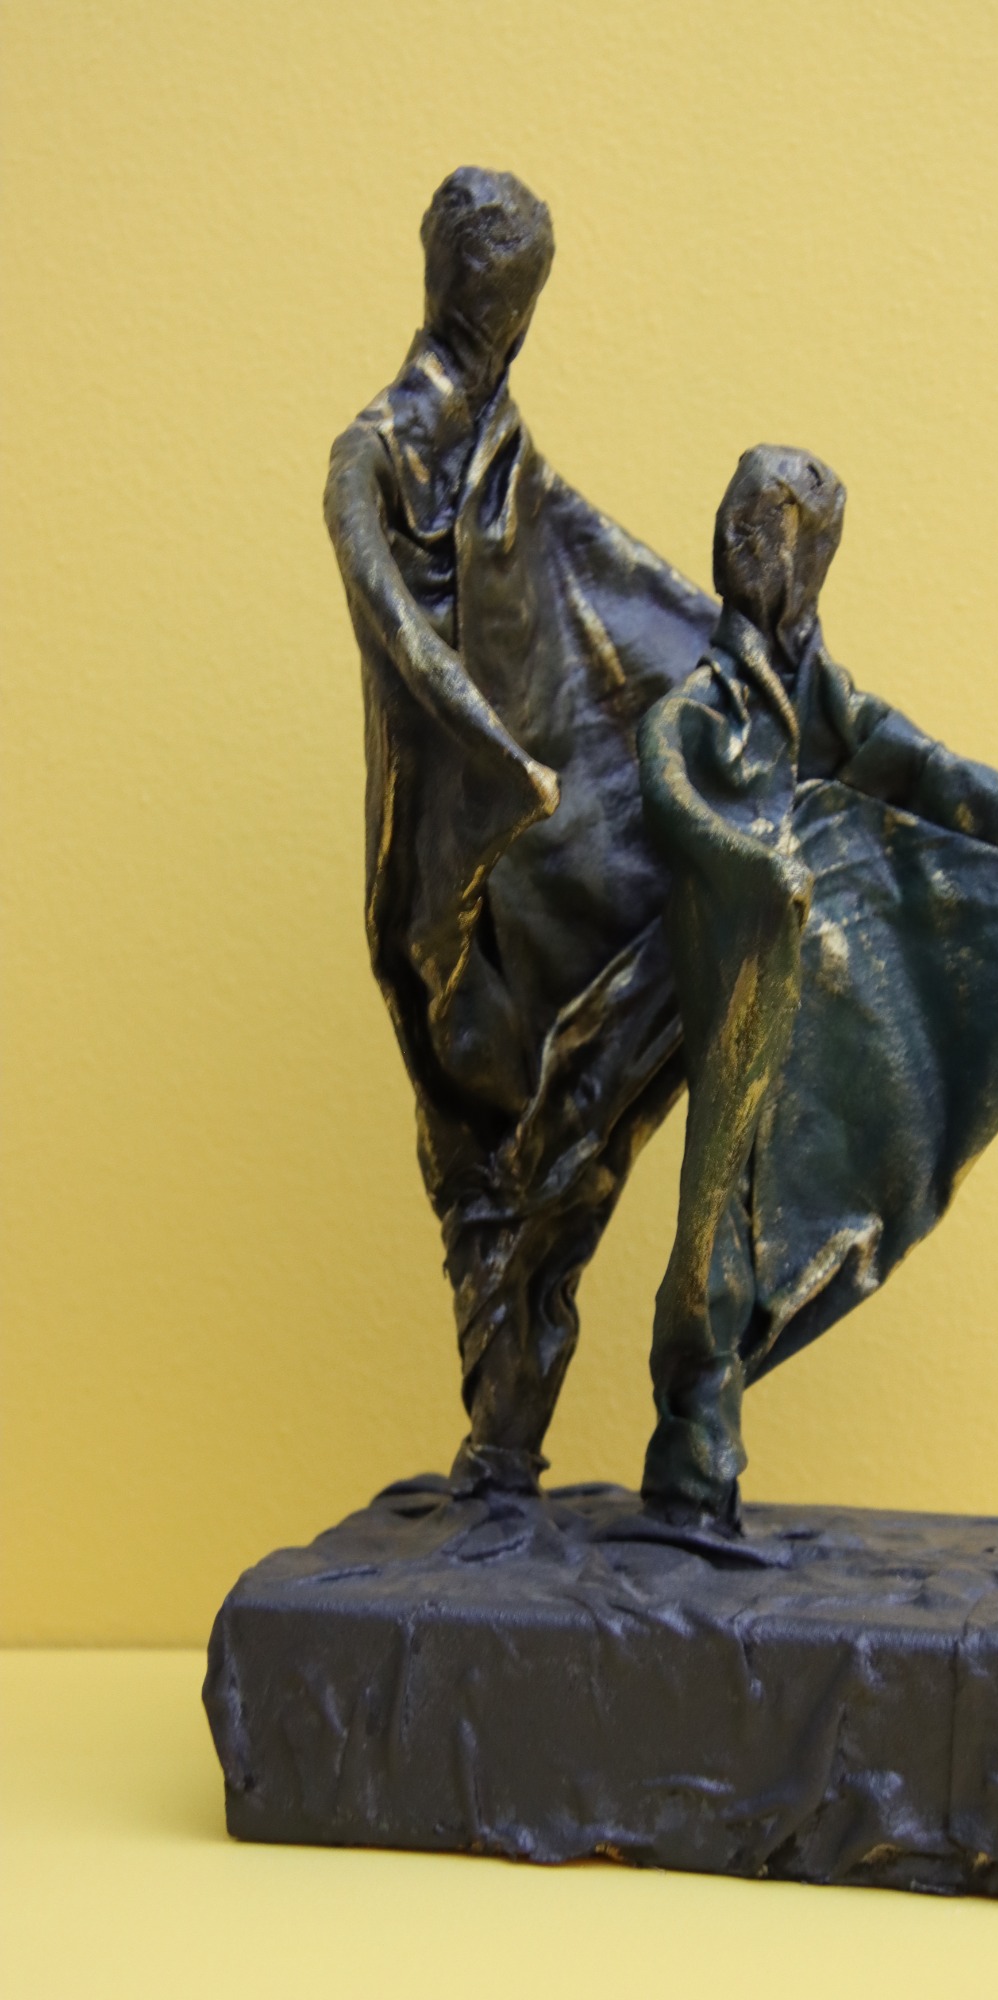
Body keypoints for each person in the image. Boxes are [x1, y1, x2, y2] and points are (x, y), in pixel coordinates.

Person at [639, 445, 998, 1524]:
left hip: (809, 969)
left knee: (800, 1168)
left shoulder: (821, 696)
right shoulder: (709, 702)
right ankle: (692, 1446)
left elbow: (930, 773)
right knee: (717, 1194)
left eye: (799, 549)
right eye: (767, 544)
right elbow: (671, 780)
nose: (779, 569)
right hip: (735, 963)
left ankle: (707, 1444)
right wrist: (752, 867)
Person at [325, 169, 714, 1494]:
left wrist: (748, 668)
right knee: (470, 1125)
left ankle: (502, 1455)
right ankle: (499, 1453)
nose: (501, 319)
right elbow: (397, 628)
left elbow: (614, 579)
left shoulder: (511, 454)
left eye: (518, 298)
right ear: (442, 279)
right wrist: (496, 757)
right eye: (488, 292)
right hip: (443, 857)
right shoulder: (372, 455)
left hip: (541, 846)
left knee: (563, 1123)